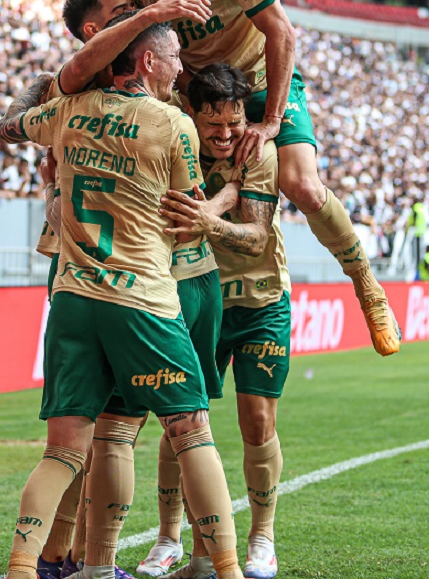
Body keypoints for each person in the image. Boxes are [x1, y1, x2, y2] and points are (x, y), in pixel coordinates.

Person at [86, 0, 400, 357]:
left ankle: (366, 282)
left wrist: (271, 121)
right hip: (198, 90)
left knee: (301, 185)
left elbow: (281, 31)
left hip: (258, 79)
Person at [0, 22, 246, 579]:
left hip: (72, 297)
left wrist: (46, 83)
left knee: (63, 452)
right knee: (191, 433)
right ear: (148, 62)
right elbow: (188, 216)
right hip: (143, 300)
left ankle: (21, 567)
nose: (181, 67)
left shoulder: (67, 108)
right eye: (174, 56)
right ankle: (227, 569)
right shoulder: (173, 123)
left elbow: (9, 126)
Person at [157, 63, 290, 579]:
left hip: (260, 300)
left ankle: (262, 537)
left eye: (234, 122)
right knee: (182, 420)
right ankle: (172, 538)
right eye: (214, 125)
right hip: (196, 295)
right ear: (192, 114)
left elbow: (256, 238)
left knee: (257, 420)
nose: (227, 135)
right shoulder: (175, 140)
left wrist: (209, 217)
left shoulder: (259, 151)